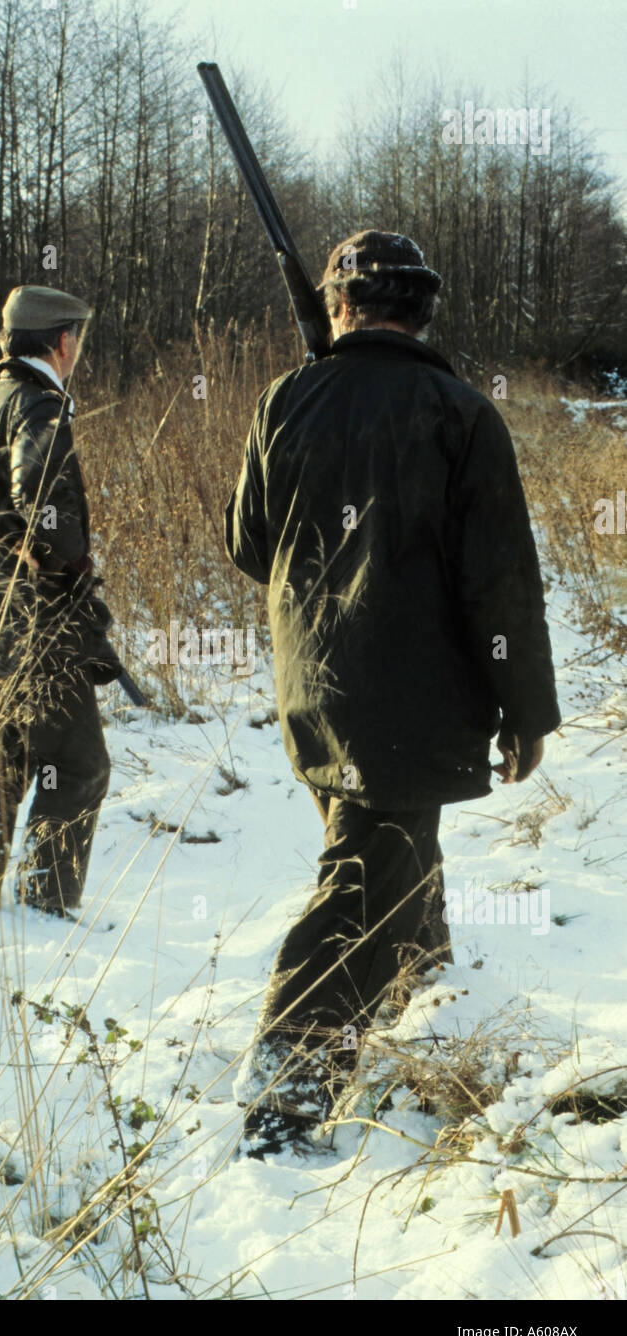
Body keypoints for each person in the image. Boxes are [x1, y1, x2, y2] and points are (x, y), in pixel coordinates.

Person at [225, 230, 561, 1157]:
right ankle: (285, 1101)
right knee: (365, 876)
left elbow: (249, 548)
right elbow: (498, 586)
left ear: (339, 310)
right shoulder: (459, 414)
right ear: (422, 309)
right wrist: (526, 711)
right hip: (412, 701)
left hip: (314, 690)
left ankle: (428, 1008)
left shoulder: (282, 401)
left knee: (392, 850)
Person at [0, 284, 121, 917]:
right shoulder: (41, 407)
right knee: (78, 763)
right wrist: (64, 561)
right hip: (29, 609)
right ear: (63, 341)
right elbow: (45, 508)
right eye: (80, 341)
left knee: (0, 753)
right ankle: (46, 909)